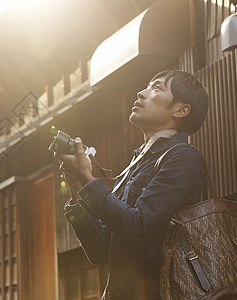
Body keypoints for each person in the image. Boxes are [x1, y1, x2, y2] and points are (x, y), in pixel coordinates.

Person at [55, 70, 209, 300]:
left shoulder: (182, 157)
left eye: (157, 88)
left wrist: (89, 179)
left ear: (181, 110)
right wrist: (77, 183)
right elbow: (100, 251)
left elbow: (137, 227)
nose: (142, 92)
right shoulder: (140, 162)